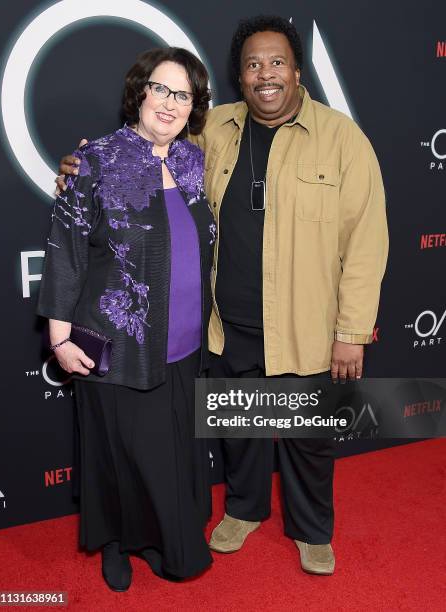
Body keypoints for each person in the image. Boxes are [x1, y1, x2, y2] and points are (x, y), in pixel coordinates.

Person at [58, 15, 389, 576]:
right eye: (253, 64)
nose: (266, 74)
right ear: (240, 76)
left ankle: (311, 530)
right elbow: (147, 149)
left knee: (307, 439)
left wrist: (351, 333)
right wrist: (82, 165)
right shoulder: (213, 131)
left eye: (277, 62)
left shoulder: (342, 139)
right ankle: (243, 509)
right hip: (227, 324)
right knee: (241, 432)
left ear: (297, 71)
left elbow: (366, 244)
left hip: (305, 324)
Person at [38, 47, 216, 591]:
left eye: (182, 94)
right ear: (139, 93)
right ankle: (115, 543)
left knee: (170, 455)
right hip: (116, 342)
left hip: (184, 342)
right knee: (116, 454)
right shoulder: (96, 160)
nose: (169, 102)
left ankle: (165, 539)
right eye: (159, 88)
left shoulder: (191, 160)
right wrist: (59, 336)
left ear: (194, 107)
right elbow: (66, 249)